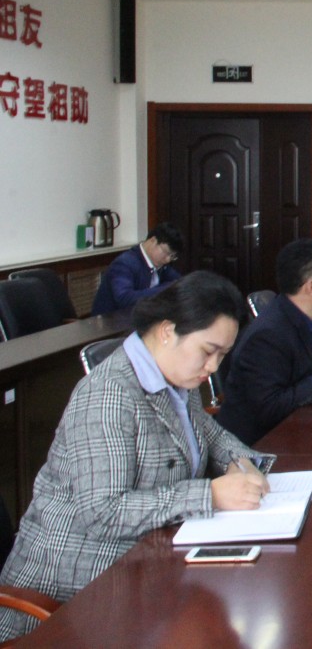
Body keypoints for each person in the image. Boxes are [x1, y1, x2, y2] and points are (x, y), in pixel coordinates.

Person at [0, 271, 272, 640]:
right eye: (208, 352)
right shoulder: (108, 395)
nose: (213, 368)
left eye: (222, 355)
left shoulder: (175, 377)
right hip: (76, 589)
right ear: (167, 331)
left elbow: (210, 434)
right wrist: (208, 495)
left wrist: (248, 465)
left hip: (144, 562)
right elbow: (102, 513)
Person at [216, 239, 312, 446]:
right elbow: (268, 408)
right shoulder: (268, 336)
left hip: (302, 432)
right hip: (257, 447)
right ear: (311, 287)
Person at [90, 221, 185, 315]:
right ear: (153, 240)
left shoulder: (160, 265)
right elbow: (124, 299)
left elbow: (179, 282)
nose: (168, 260)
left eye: (173, 256)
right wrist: (166, 289)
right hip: (111, 322)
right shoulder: (124, 264)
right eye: (166, 252)